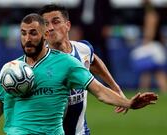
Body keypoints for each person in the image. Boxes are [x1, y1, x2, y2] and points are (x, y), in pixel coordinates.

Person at [0, 13, 158, 135]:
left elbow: (99, 91)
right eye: (23, 33)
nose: (27, 39)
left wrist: (128, 103)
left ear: (44, 34)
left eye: (33, 33)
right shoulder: (11, 69)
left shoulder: (66, 63)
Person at [38, 4, 126, 135]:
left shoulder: (82, 49)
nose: (50, 28)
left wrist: (115, 87)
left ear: (68, 25)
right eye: (46, 24)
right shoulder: (37, 62)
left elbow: (94, 60)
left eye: (56, 22)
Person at [131, 0, 167, 93]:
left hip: (152, 46)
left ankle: (144, 92)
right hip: (157, 45)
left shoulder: (150, 15)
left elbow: (150, 32)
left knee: (155, 72)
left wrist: (145, 43)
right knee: (150, 72)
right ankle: (143, 92)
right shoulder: (154, 14)